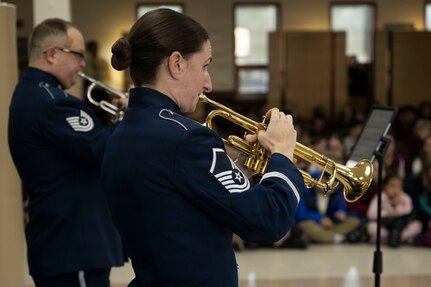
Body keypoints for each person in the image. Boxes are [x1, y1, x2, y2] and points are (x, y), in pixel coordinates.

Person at [101, 8, 305, 287]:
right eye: (205, 65)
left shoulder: (120, 134)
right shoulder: (188, 138)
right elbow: (268, 222)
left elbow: (183, 204)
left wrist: (250, 168)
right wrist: (282, 154)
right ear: (177, 64)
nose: (208, 84)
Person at [8, 18, 125, 286]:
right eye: (78, 55)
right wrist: (127, 118)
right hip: (75, 246)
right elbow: (103, 150)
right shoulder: (53, 103)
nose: (82, 64)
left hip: (64, 243)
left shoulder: (34, 94)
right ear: (51, 54)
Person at [367, 174, 422, 248]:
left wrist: (397, 207)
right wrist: (387, 213)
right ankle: (394, 238)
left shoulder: (405, 198)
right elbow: (370, 214)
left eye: (399, 186)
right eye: (392, 186)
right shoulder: (380, 196)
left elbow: (408, 212)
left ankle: (394, 238)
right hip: (386, 224)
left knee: (417, 225)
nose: (396, 189)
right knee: (371, 227)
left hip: (401, 225)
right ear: (385, 186)